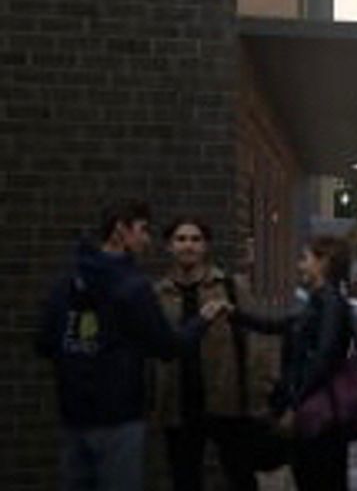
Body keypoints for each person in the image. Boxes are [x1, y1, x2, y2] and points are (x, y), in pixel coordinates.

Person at [35, 200, 227, 491]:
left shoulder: (66, 283)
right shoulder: (133, 287)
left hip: (73, 416)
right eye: (142, 230)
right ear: (120, 231)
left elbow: (44, 343)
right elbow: (168, 347)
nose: (147, 240)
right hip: (118, 416)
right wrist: (202, 319)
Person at [154, 217, 268, 491]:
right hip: (179, 401)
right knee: (185, 478)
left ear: (205, 246)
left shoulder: (229, 287)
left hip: (226, 397)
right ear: (169, 246)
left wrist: (258, 393)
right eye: (181, 239)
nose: (188, 246)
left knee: (240, 475)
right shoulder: (158, 294)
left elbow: (256, 339)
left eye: (195, 239)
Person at [239, 236, 357, 491]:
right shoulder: (317, 301)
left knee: (320, 479)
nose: (299, 266)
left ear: (324, 262)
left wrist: (295, 405)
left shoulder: (330, 303)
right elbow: (276, 324)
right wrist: (233, 313)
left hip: (321, 415)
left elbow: (323, 358)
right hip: (316, 412)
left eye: (304, 259)